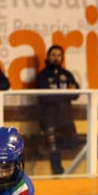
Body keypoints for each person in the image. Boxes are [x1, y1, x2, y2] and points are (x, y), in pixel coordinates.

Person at [35, 45, 80, 175]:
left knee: (73, 145)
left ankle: (69, 174)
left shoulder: (67, 75)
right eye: (53, 55)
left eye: (59, 55)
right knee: (53, 150)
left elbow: (76, 93)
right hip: (49, 119)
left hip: (65, 119)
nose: (56, 58)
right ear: (48, 57)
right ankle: (58, 175)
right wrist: (66, 93)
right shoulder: (42, 76)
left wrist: (66, 93)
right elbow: (45, 97)